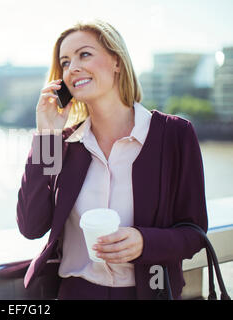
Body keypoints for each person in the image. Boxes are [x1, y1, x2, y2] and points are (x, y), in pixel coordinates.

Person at [16, 19, 208, 300]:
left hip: (149, 294)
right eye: (65, 62)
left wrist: (144, 242)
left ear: (117, 62)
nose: (73, 68)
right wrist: (46, 136)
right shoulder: (64, 144)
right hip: (75, 293)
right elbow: (31, 226)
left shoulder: (174, 135)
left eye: (84, 54)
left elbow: (194, 232)